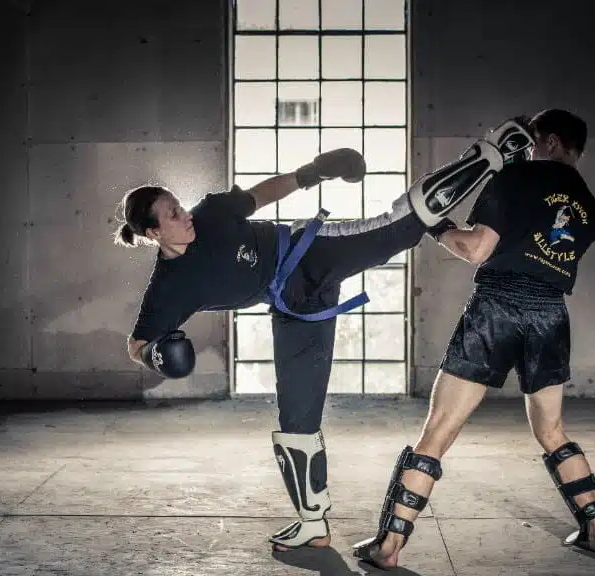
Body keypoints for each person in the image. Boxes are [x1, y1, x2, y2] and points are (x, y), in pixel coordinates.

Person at [114, 135, 530, 551]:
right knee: (297, 418)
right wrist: (154, 355)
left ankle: (495, 150)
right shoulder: (168, 288)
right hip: (293, 307)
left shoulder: (210, 215)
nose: (184, 215)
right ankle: (313, 523)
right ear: (153, 232)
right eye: (172, 214)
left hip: (308, 251)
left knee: (401, 226)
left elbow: (261, 195)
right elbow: (136, 344)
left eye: (179, 205)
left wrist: (314, 172)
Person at [352, 109, 595, 570]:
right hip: (550, 316)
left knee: (438, 430)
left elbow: (476, 249)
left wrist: (435, 227)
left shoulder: (517, 179)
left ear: (551, 141)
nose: (525, 149)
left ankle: (389, 546)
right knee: (551, 431)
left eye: (532, 141)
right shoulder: (589, 208)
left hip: (497, 308)